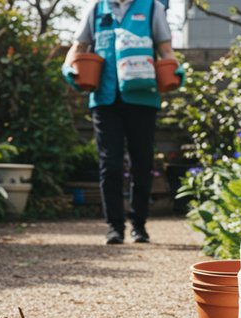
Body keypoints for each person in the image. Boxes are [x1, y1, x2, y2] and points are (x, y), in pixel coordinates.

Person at [62, 0, 182, 245]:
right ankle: (114, 227)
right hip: (105, 98)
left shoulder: (152, 8)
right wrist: (69, 68)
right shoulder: (96, 9)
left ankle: (139, 225)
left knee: (142, 163)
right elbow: (79, 46)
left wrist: (175, 70)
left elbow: (165, 49)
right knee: (110, 165)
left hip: (142, 97)